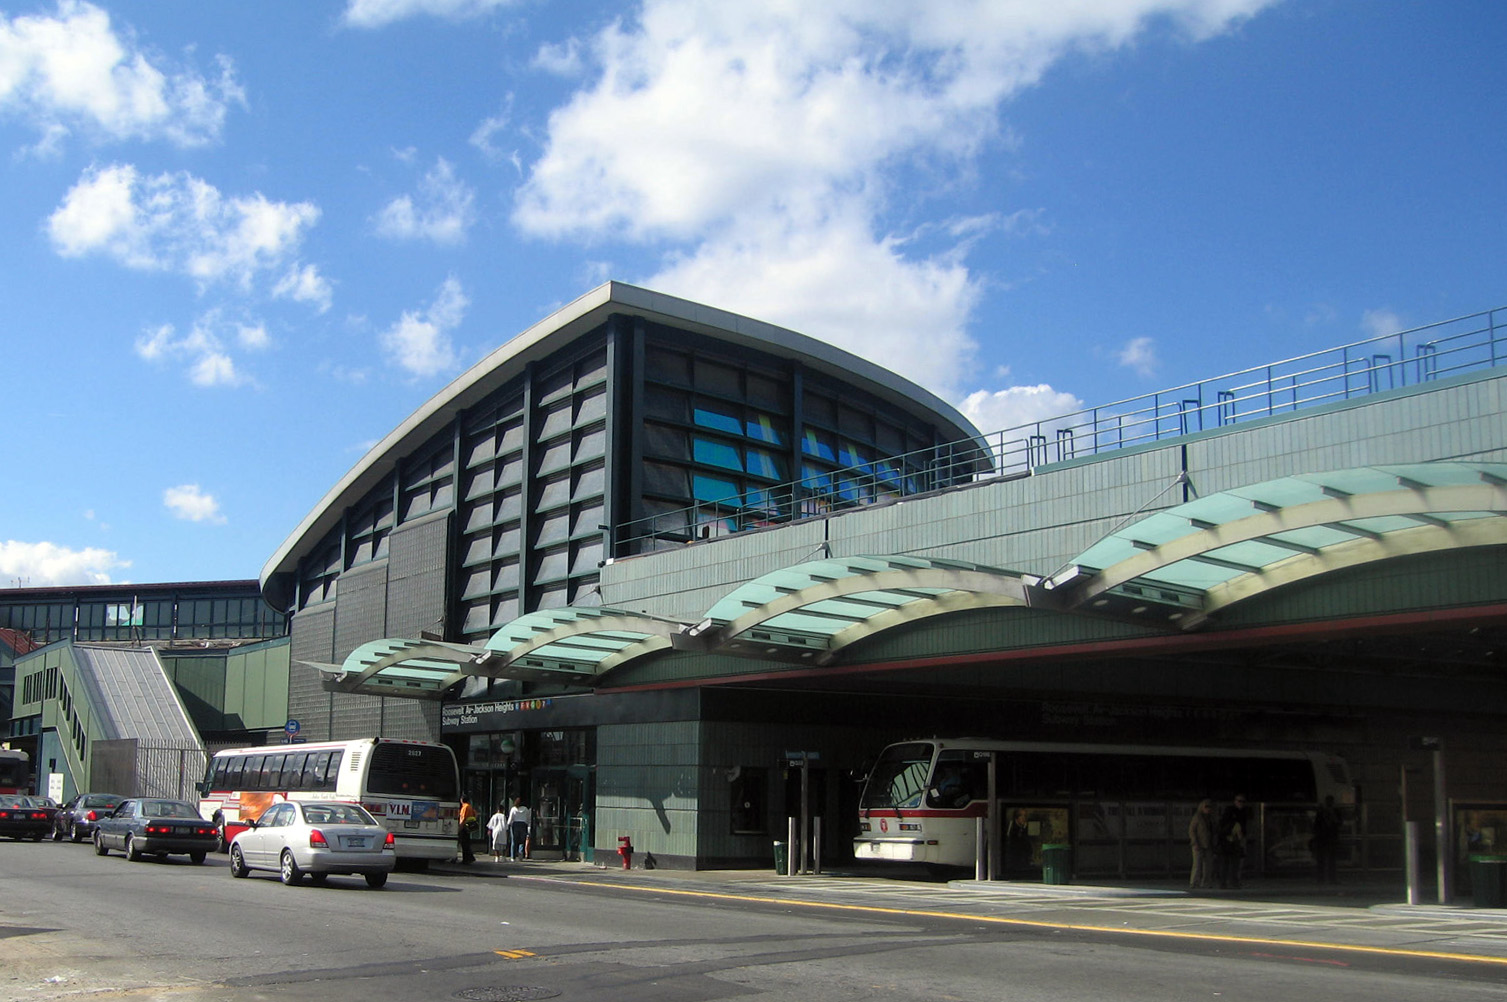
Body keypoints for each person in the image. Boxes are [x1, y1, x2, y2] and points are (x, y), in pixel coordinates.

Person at [1216, 794, 1250, 889]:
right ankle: (1227, 882)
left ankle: (1231, 882)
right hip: (1228, 840)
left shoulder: (1242, 813)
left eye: (1242, 801)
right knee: (1228, 863)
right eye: (1239, 801)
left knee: (1234, 863)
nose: (1241, 803)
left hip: (1234, 841)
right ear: (1235, 801)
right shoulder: (1231, 814)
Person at [1312, 794, 1341, 885]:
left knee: (1330, 859)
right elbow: (1316, 825)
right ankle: (1323, 879)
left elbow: (1339, 823)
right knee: (1323, 859)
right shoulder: (1321, 812)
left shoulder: (1334, 812)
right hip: (1324, 838)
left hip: (1329, 837)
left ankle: (1329, 879)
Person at [1187, 799, 1214, 889]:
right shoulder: (1197, 817)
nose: (1208, 809)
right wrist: (1194, 842)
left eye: (1210, 807)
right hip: (1198, 844)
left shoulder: (1210, 818)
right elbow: (1191, 830)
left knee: (1208, 865)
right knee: (1197, 865)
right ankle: (1194, 882)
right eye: (1206, 807)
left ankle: (1206, 882)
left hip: (1208, 844)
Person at [1005, 808, 1033, 874]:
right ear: (1016, 818)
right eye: (1021, 816)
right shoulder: (1012, 829)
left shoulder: (1024, 828)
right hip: (1015, 860)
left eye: (1025, 816)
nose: (1023, 818)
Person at [457, 795, 478, 864]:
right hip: (468, 826)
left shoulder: (465, 807)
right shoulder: (469, 806)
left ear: (462, 800)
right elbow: (475, 814)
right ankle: (470, 857)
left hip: (464, 827)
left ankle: (466, 859)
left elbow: (463, 818)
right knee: (466, 843)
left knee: (464, 843)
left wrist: (460, 827)